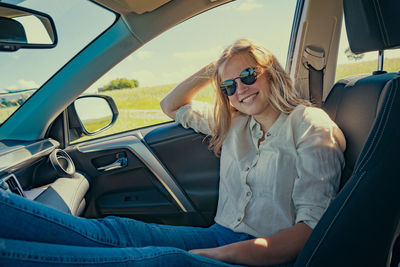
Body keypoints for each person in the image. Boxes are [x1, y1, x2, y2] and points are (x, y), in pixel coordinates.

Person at [0, 39, 345, 266]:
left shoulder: (311, 125)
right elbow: (171, 104)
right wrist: (217, 68)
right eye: (229, 86)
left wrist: (224, 254)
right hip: (220, 232)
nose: (239, 90)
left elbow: (311, 230)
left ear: (271, 74)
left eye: (248, 75)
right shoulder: (237, 125)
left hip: (269, 255)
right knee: (121, 231)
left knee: (161, 259)